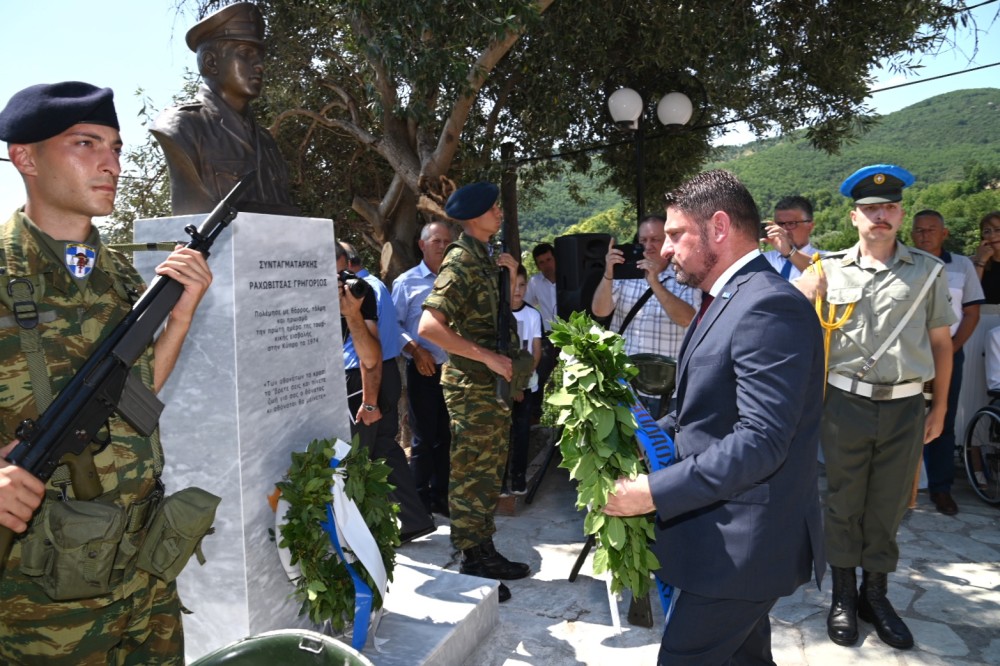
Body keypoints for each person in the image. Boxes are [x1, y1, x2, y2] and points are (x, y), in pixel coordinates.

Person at [0, 81, 213, 664]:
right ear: (25, 157)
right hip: (46, 605)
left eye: (116, 148)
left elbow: (133, 394)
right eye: (86, 143)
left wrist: (181, 315)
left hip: (145, 577)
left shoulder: (121, 276)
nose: (111, 163)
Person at [603, 170, 825, 665]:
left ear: (719, 228)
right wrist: (635, 439)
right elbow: (699, 415)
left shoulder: (767, 305)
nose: (666, 250)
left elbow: (761, 441)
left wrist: (651, 493)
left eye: (678, 235)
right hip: (727, 542)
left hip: (742, 547)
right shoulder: (729, 298)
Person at [796, 164, 955, 651]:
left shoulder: (929, 274)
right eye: (870, 209)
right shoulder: (826, 271)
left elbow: (942, 346)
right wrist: (800, 290)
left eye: (888, 207)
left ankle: (875, 595)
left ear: (900, 213)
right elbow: (793, 327)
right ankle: (843, 596)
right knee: (844, 503)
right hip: (844, 404)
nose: (880, 216)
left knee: (888, 507)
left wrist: (940, 409)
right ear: (854, 217)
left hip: (907, 405)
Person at [418, 182, 530, 602]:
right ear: (474, 216)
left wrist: (511, 274)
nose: (499, 212)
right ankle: (470, 558)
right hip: (471, 387)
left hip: (488, 386)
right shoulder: (461, 262)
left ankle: (482, 548)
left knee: (487, 474)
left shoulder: (484, 259)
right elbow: (429, 327)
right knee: (471, 474)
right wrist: (485, 357)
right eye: (493, 208)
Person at [150, 2, 298, 216]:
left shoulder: (266, 142)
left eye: (259, 55)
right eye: (245, 53)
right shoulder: (182, 125)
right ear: (211, 62)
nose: (259, 65)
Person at [336, 243, 435, 543]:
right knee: (385, 450)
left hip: (364, 378)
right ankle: (413, 521)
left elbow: (369, 350)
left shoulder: (361, 291)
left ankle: (362, 533)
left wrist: (368, 401)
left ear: (347, 263)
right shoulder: (377, 285)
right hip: (385, 374)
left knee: (358, 457)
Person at [910, 209, 984, 515]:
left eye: (931, 229)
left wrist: (950, 349)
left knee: (943, 420)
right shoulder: (903, 263)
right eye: (919, 230)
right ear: (911, 234)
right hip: (908, 356)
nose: (925, 235)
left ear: (944, 233)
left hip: (948, 354)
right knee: (902, 420)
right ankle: (903, 489)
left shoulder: (963, 265)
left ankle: (941, 489)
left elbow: (971, 313)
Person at [591, 215, 700, 417]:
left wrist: (655, 283)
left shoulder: (686, 278)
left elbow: (688, 319)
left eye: (655, 240)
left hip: (671, 391)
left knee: (666, 447)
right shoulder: (624, 276)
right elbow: (599, 310)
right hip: (626, 388)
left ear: (669, 242)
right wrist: (608, 273)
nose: (648, 246)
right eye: (643, 240)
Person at [391, 221, 456, 518]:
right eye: (436, 241)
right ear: (422, 244)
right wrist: (416, 350)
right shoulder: (407, 282)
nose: (442, 246)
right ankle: (417, 506)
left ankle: (440, 499)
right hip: (424, 371)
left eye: (446, 242)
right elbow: (393, 327)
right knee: (423, 439)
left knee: (447, 437)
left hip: (455, 371)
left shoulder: (457, 279)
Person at [957, 211, 1000, 446]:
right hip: (980, 323)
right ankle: (973, 454)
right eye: (987, 230)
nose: (992, 235)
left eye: (997, 229)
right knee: (973, 392)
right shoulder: (972, 263)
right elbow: (970, 296)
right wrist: (982, 261)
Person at [504, 265, 542, 495]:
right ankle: (499, 481)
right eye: (512, 285)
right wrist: (510, 385)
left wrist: (520, 383)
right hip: (502, 384)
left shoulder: (532, 314)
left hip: (525, 384)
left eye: (522, 285)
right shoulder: (498, 315)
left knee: (521, 432)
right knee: (501, 434)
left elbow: (535, 352)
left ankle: (518, 478)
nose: (517, 291)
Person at [523, 242, 558, 421]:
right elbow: (524, 305)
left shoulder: (571, 276)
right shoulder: (536, 282)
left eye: (549, 259)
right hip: (549, 337)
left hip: (574, 335)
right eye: (541, 262)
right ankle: (535, 416)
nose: (547, 265)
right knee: (539, 375)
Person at [760, 195, 821, 280]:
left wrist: (790, 252)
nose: (784, 230)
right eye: (780, 224)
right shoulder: (763, 260)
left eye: (791, 223)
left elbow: (823, 275)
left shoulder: (828, 259)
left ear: (810, 226)